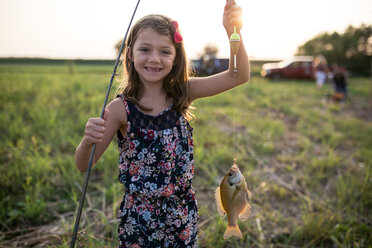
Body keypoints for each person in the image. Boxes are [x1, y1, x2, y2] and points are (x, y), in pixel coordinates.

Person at [75, 0, 249, 247]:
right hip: (139, 222)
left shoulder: (183, 93)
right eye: (145, 49)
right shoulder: (119, 110)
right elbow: (85, 164)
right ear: (130, 54)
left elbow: (239, 74)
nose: (154, 59)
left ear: (176, 57)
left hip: (181, 217)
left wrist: (233, 30)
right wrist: (87, 141)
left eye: (165, 51)